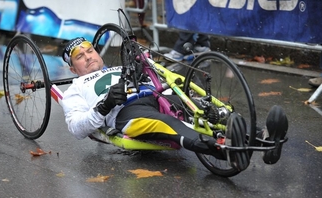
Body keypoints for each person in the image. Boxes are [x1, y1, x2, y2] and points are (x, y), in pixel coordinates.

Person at [60, 37, 288, 171]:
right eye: (80, 57)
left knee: (205, 110)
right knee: (169, 123)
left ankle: (265, 136)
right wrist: (105, 105)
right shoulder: (74, 89)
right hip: (127, 113)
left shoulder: (122, 67)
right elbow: (77, 128)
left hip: (159, 97)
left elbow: (161, 79)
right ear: (72, 69)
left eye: (90, 51)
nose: (88, 56)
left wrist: (146, 65)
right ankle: (223, 149)